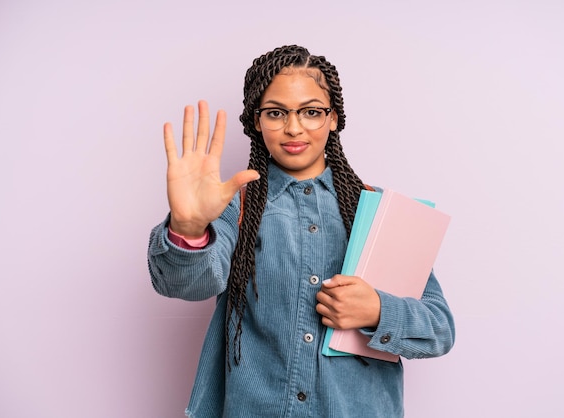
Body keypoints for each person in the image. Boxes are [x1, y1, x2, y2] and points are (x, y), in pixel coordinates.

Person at [148, 45, 455, 418]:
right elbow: (188, 284)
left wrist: (379, 310)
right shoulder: (234, 207)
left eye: (311, 112)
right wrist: (188, 228)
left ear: (334, 118)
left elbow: (439, 329)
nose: (294, 128)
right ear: (257, 122)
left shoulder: (380, 213)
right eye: (276, 113)